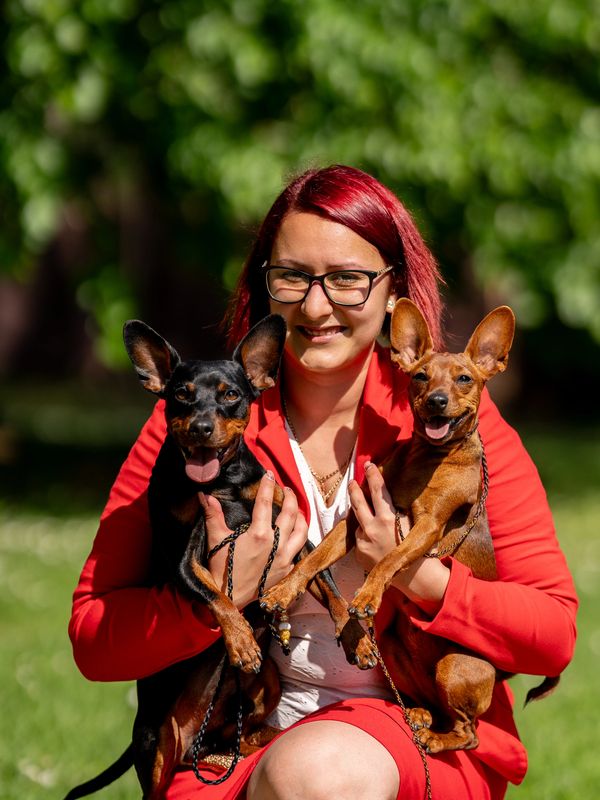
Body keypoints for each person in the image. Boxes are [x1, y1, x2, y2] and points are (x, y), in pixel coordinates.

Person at [69, 165, 577, 800]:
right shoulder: (199, 425)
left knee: (318, 772)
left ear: (393, 292)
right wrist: (218, 597)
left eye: (347, 279)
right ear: (264, 286)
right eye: (292, 276)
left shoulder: (453, 423)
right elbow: (93, 639)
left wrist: (413, 573)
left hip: (408, 734)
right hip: (233, 734)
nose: (315, 306)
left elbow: (553, 636)